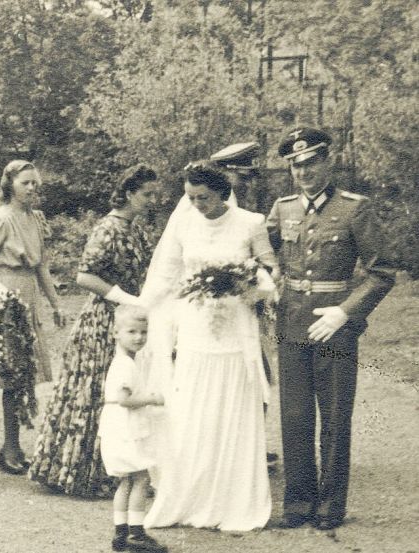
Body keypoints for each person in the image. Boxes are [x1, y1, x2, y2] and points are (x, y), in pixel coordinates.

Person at [268, 127, 395, 530]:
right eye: (296, 165)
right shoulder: (283, 208)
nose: (303, 172)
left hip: (336, 328)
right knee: (295, 416)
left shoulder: (355, 208)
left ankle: (329, 506)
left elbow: (382, 272)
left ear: (328, 161)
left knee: (336, 416)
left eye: (310, 162)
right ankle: (299, 502)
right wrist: (265, 281)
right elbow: (261, 255)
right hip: (291, 324)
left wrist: (345, 312)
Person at [142, 163, 276, 532]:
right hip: (196, 329)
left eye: (204, 197)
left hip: (236, 326)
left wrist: (253, 287)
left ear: (222, 193)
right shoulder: (184, 223)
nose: (197, 204)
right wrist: (144, 309)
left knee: (231, 406)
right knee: (191, 411)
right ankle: (189, 496)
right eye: (190, 197)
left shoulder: (250, 222)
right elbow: (167, 276)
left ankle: (232, 500)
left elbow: (269, 269)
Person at [29, 164, 158, 494]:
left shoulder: (136, 229)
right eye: (147, 194)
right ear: (129, 193)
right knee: (98, 392)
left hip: (129, 320)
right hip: (104, 322)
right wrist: (125, 298)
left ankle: (122, 471)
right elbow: (84, 276)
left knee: (123, 391)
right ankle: (87, 474)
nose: (152, 200)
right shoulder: (108, 228)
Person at [0, 160, 65, 475]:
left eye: (35, 183)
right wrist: (1, 290)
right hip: (6, 297)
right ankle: (10, 446)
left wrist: (55, 304)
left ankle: (17, 444)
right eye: (25, 182)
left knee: (27, 372)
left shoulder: (35, 219)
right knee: (11, 374)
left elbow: (41, 267)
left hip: (29, 295)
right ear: (10, 184)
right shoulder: (0, 219)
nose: (31, 188)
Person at [211, 142, 280, 468]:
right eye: (242, 176)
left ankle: (249, 443)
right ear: (226, 174)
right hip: (216, 313)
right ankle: (232, 447)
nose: (247, 183)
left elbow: (264, 256)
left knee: (257, 374)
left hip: (247, 305)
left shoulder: (244, 208)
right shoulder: (207, 209)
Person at [100, 305, 166, 553]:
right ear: (116, 333)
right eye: (132, 332)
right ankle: (136, 534)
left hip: (117, 427)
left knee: (126, 481)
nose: (139, 337)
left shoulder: (124, 361)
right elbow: (125, 399)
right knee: (141, 477)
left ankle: (121, 532)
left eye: (143, 332)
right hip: (125, 429)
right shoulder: (125, 365)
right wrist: (151, 398)